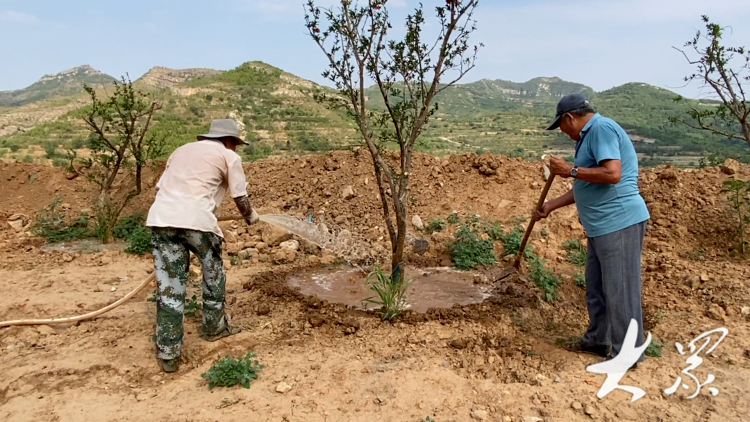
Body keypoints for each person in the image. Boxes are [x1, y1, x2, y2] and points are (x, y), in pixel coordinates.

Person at [535, 94, 650, 369]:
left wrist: (570, 170)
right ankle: (598, 340)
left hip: (619, 222)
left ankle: (628, 354)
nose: (563, 133)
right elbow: (587, 184)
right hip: (601, 227)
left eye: (561, 127)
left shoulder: (601, 128)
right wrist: (550, 205)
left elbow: (612, 174)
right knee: (598, 288)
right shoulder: (587, 138)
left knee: (621, 290)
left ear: (569, 118)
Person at [146, 119, 259, 373]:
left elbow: (161, 189)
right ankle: (214, 328)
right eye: (236, 144)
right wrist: (251, 216)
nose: (236, 149)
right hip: (198, 223)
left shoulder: (180, 151)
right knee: (213, 274)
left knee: (170, 289)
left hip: (162, 221)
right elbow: (240, 196)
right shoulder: (228, 156)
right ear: (229, 141)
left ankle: (168, 353)